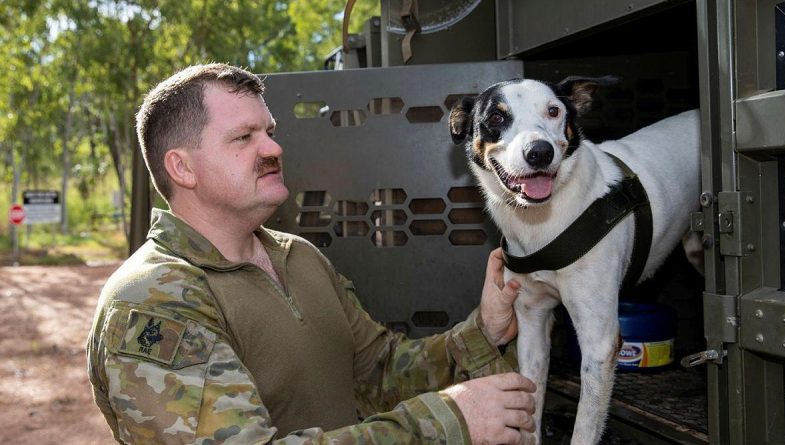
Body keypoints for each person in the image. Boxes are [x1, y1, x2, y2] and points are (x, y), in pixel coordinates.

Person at [87, 63, 535, 445]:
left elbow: (378, 372)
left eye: (270, 131)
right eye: (243, 137)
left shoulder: (298, 256)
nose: (274, 148)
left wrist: (483, 332)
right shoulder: (153, 300)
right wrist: (447, 422)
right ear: (182, 168)